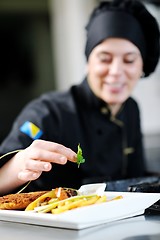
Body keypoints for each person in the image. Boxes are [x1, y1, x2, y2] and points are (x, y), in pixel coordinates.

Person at [0, 0, 159, 196]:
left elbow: (138, 181)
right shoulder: (47, 112)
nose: (116, 71)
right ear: (88, 62)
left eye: (129, 60)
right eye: (104, 58)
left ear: (142, 66)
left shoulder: (131, 109)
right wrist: (19, 165)